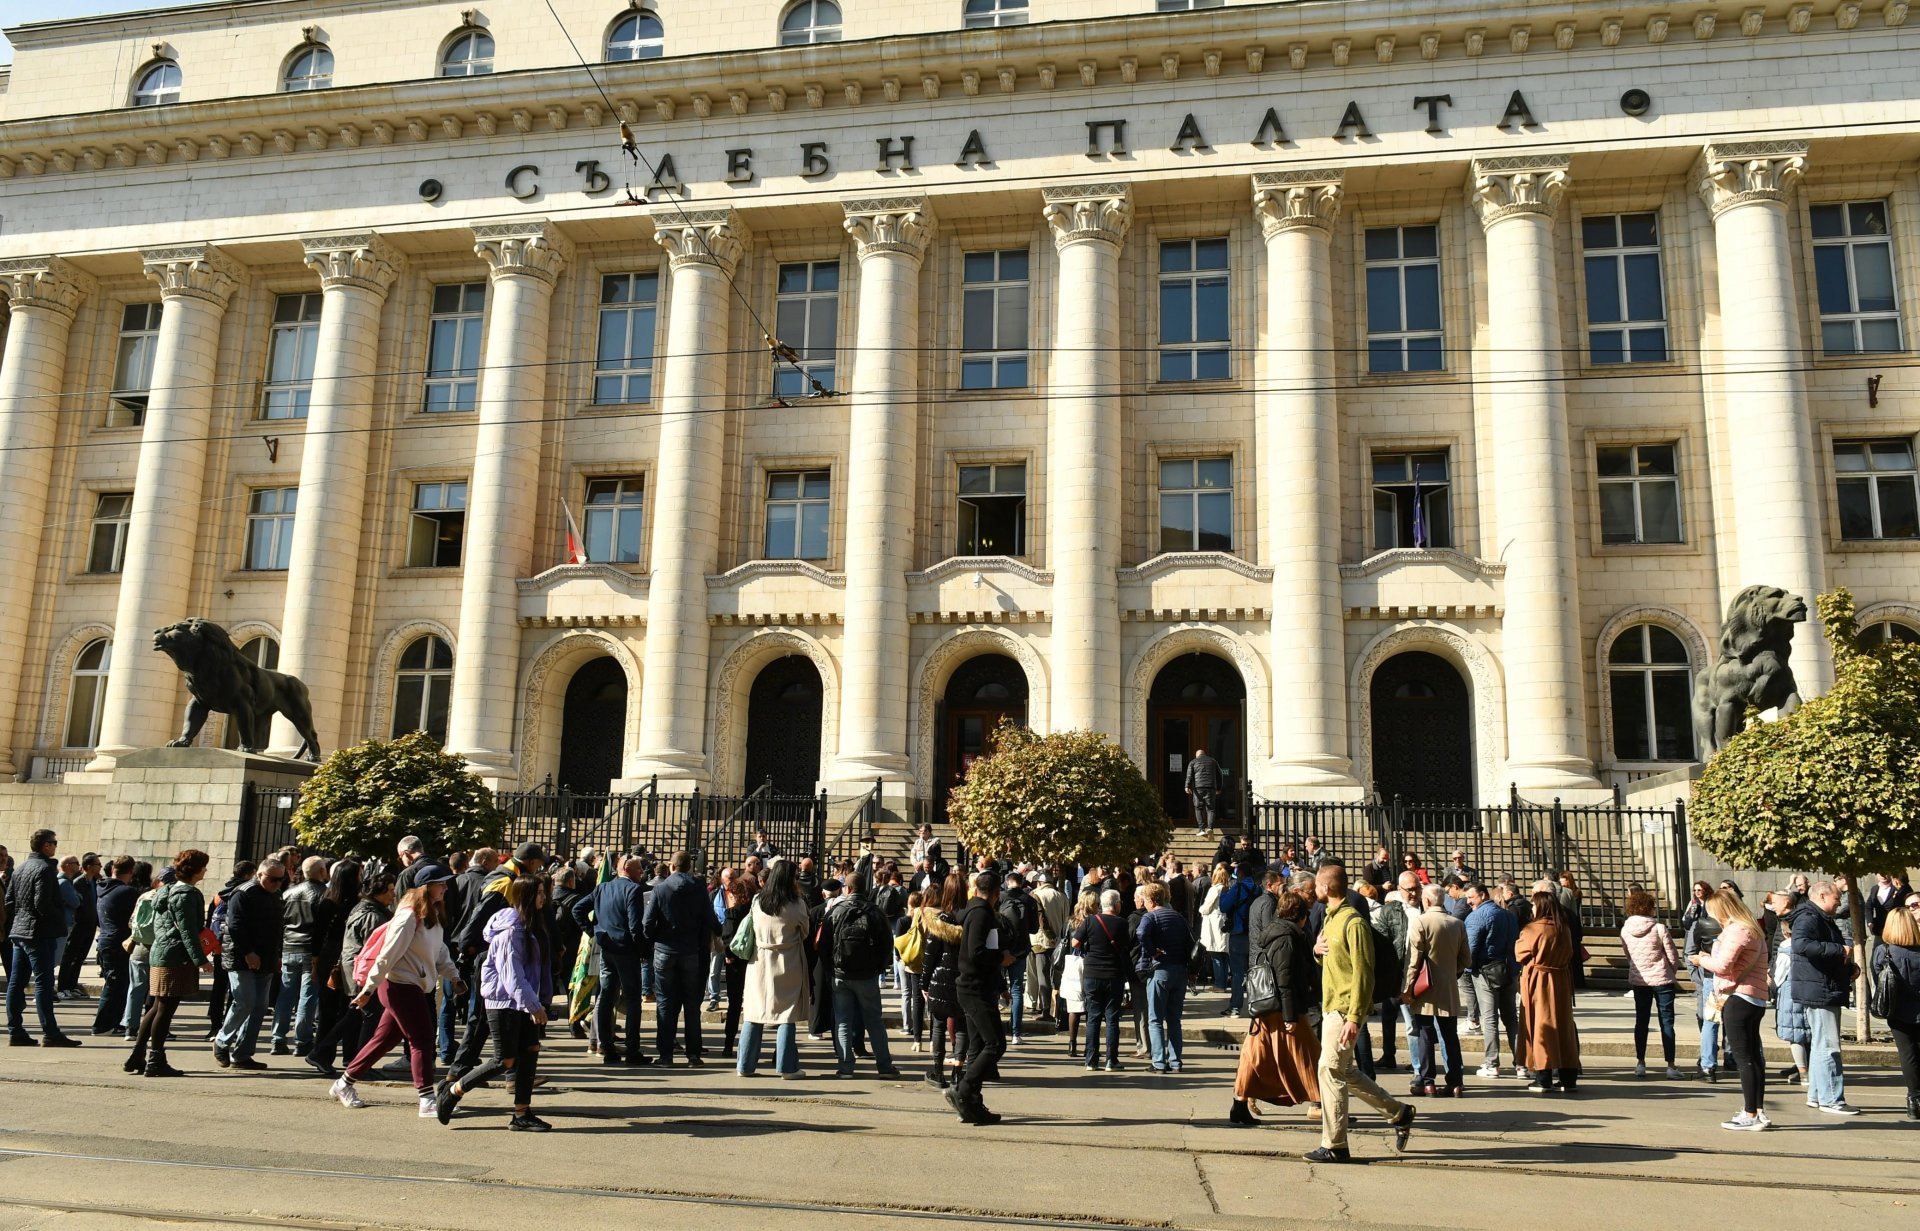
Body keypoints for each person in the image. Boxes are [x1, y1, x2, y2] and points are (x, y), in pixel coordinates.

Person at [1307, 861, 1415, 1163]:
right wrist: (1317, 953)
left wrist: (1355, 1018)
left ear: (1327, 887)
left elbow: (1364, 973)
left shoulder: (1353, 922)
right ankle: (1399, 1112)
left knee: (1329, 1072)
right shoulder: (1331, 919)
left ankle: (1335, 1145)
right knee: (1344, 1071)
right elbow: (1335, 963)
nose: (1314, 889)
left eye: (1317, 883)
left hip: (1344, 1010)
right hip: (1331, 1006)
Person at [332, 864, 461, 1115]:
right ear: (427, 887)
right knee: (423, 1039)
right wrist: (368, 989)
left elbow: (440, 951)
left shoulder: (431, 914)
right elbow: (387, 956)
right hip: (398, 985)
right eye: (441, 883)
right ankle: (427, 1099)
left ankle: (343, 1083)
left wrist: (454, 976)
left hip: (412, 985)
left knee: (384, 1040)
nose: (446, 887)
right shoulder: (407, 917)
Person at [435, 875, 554, 1131]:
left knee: (530, 1051)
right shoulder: (510, 931)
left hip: (524, 1001)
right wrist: (534, 1005)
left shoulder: (533, 926)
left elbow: (539, 969)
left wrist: (542, 1000)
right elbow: (512, 975)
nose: (544, 897)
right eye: (539, 893)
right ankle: (453, 1091)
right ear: (524, 897)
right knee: (504, 1060)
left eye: (544, 892)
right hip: (503, 1002)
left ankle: (521, 1114)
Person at [1231, 884, 1320, 1124]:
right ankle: (1323, 1103)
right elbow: (1285, 980)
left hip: (1267, 1006)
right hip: (1283, 1009)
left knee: (1255, 1055)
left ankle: (1239, 1105)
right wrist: (1291, 1017)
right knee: (1311, 1054)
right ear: (1300, 915)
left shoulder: (1277, 932)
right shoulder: (1287, 939)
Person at [124, 851, 213, 1077]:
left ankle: (137, 1055)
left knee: (156, 1007)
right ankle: (155, 1060)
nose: (205, 871)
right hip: (175, 956)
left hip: (161, 952)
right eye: (203, 867)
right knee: (164, 1009)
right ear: (195, 869)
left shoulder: (165, 890)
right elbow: (187, 930)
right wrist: (201, 960)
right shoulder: (187, 894)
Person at [1694, 888, 1771, 1130]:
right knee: (1753, 1057)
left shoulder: (1737, 930)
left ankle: (1750, 1115)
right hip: (1754, 997)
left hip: (1740, 997)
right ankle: (1756, 1110)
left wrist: (1701, 960)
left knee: (1744, 1058)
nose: (1712, 917)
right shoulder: (1752, 928)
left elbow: (1723, 966)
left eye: (1713, 912)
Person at [306, 870, 394, 1079]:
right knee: (368, 1015)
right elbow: (374, 949)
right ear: (378, 891)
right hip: (363, 972)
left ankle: (324, 1053)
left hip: (354, 968)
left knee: (355, 1014)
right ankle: (359, 1063)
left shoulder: (363, 908)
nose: (393, 895)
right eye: (389, 890)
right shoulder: (373, 915)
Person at [737, 860, 814, 1078]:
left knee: (754, 1011)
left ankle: (744, 1065)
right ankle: (787, 1067)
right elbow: (805, 931)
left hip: (759, 960)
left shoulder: (757, 900)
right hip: (787, 960)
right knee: (786, 1014)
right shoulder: (797, 903)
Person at [572, 855, 650, 1067]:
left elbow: (578, 909)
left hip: (607, 948)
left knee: (606, 996)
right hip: (626, 950)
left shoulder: (603, 888)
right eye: (638, 870)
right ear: (626, 868)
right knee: (633, 999)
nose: (641, 873)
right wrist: (642, 950)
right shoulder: (632, 890)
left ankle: (605, 1045)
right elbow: (635, 926)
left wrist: (595, 933)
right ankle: (632, 1049)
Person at [6, 829, 80, 1047]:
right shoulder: (45, 869)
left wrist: (20, 918)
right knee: (43, 983)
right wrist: (58, 919)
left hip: (20, 931)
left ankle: (15, 1030)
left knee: (16, 982)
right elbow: (42, 904)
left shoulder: (20, 868)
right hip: (39, 933)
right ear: (46, 846)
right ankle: (50, 1032)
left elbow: (9, 901)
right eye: (54, 843)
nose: (55, 846)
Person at [947, 871, 1011, 1124]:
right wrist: (1001, 959)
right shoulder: (981, 914)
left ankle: (971, 1100)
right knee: (996, 1044)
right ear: (995, 893)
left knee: (977, 1045)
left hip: (977, 985)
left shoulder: (976, 911)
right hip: (975, 987)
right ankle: (963, 1090)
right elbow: (976, 952)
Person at [824, 870, 900, 1078]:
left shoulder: (836, 911)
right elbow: (887, 944)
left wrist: (831, 968)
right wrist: (879, 969)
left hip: (841, 974)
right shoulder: (874, 911)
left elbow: (824, 944)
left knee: (843, 1021)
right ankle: (884, 1066)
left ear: (847, 889)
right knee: (874, 1021)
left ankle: (846, 1067)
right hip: (867, 975)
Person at [213, 861, 288, 1070]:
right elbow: (235, 925)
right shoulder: (244, 892)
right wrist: (248, 952)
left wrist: (277, 955)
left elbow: (277, 928)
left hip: (266, 958)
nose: (277, 883)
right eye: (272, 879)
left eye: (281, 879)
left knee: (259, 1007)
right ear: (260, 874)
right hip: (241, 957)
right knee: (245, 1001)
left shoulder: (275, 895)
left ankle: (243, 1054)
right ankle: (222, 1040)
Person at [1791, 881, 1858, 1115]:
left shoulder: (1817, 917)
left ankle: (1818, 1095)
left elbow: (1820, 951)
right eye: (1836, 898)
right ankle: (1831, 1098)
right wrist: (1839, 951)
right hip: (1820, 990)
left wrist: (1848, 968)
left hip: (1822, 987)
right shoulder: (1810, 917)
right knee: (1828, 1047)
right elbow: (1801, 945)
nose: (1839, 902)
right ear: (1822, 895)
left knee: (1821, 1045)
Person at [645, 851, 714, 1065]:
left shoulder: (661, 889)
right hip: (690, 950)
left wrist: (655, 940)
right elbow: (710, 920)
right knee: (691, 1004)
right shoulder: (699, 889)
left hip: (665, 950)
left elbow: (647, 923)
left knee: (665, 1003)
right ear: (688, 867)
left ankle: (665, 1055)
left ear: (671, 866)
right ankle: (693, 1054)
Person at [1405, 883, 1470, 1097]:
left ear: (1427, 901)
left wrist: (1407, 988)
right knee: (1450, 1035)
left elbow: (1414, 960)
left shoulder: (1420, 922)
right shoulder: (1457, 923)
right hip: (1449, 986)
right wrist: (1452, 972)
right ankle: (1455, 1082)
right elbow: (1466, 959)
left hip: (1425, 987)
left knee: (1424, 1034)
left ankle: (1428, 1081)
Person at [1515, 889, 1580, 1093]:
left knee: (1541, 1025)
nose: (1531, 909)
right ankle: (1568, 1077)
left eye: (1534, 905)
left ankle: (1543, 1077)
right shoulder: (1563, 928)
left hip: (1539, 981)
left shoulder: (1534, 929)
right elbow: (1570, 953)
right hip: (1560, 979)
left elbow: (1520, 953)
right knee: (1563, 1026)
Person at [1620, 888, 1683, 1079]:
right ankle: (1670, 1065)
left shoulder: (1625, 929)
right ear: (1649, 908)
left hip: (1640, 979)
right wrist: (1671, 970)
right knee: (1667, 1021)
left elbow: (1628, 954)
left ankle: (1640, 1063)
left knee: (1641, 1020)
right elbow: (1672, 954)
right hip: (1662, 978)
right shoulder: (1659, 928)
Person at [273, 855, 332, 1058]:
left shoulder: (289, 892)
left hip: (290, 946)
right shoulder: (324, 894)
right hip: (310, 949)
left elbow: (281, 922)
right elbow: (323, 926)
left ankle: (278, 1038)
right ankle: (302, 1040)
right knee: (308, 995)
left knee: (286, 993)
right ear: (322, 872)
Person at [1463, 882, 1520, 1079]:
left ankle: (1492, 1063)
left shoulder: (1476, 917)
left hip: (1486, 972)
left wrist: (1468, 969)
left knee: (1489, 1018)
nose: (1468, 901)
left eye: (1471, 897)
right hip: (1509, 970)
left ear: (1482, 895)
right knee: (1511, 1018)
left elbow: (1470, 949)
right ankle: (1521, 1064)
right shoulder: (1509, 916)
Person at [1871, 890, 1920, 1120]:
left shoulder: (1884, 951)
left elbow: (1878, 979)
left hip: (1897, 1010)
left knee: (1907, 1054)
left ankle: (1914, 1099)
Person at [1074, 888, 1132, 1072]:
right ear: (1116, 905)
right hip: (1114, 974)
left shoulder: (1090, 921)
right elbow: (1126, 945)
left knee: (1093, 1017)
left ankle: (1091, 1060)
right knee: (1112, 1018)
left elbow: (1075, 942)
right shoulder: (1122, 923)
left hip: (1092, 973)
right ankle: (1111, 1060)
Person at [1136, 881, 1191, 1073]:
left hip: (1160, 970)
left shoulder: (1151, 917)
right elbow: (1189, 941)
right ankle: (1176, 1061)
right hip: (1180, 970)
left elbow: (1141, 933)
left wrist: (1152, 951)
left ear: (1150, 900)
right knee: (1174, 1019)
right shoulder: (1178, 917)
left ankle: (1159, 1062)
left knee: (1155, 1019)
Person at [89, 857, 139, 1036]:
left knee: (116, 984)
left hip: (106, 940)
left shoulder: (102, 888)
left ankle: (112, 1023)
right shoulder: (127, 892)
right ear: (131, 872)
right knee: (116, 985)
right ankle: (103, 1025)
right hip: (118, 943)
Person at [1685, 888, 1730, 1081]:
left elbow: (1691, 951)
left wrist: (1698, 975)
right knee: (1740, 1022)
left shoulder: (1703, 924)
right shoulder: (1739, 925)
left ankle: (1707, 1067)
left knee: (1710, 1022)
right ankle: (1745, 1060)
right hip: (1732, 977)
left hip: (1712, 975)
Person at [1216, 858, 1261, 1015]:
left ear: (1240, 873)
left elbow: (1223, 906)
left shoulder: (1237, 888)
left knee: (1237, 973)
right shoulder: (1257, 889)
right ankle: (1256, 1006)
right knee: (1254, 972)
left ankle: (1235, 1007)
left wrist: (1223, 894)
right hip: (1254, 934)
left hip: (1238, 932)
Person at [1772, 905, 1810, 1087]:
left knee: (1795, 1035)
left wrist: (1773, 985)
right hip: (1807, 988)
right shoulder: (1809, 942)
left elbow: (1780, 974)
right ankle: (1809, 1070)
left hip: (1790, 990)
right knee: (1809, 1032)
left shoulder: (1786, 947)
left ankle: (1803, 1073)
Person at [57, 852, 101, 998]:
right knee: (69, 956)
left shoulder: (93, 882)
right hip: (79, 924)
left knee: (80, 957)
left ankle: (72, 985)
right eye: (97, 864)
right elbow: (75, 903)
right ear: (89, 867)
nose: (100, 867)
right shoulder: (78, 882)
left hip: (90, 925)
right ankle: (63, 987)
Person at [720, 874, 755, 1055]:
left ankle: (728, 1043)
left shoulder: (732, 913)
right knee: (753, 1004)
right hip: (753, 961)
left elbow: (727, 937)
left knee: (734, 1003)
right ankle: (751, 1045)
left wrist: (728, 955)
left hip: (735, 962)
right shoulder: (755, 910)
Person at [1185, 747, 1221, 835]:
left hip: (1198, 788)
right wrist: (1218, 788)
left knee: (1198, 808)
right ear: (1204, 754)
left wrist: (1187, 786)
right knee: (1211, 809)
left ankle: (1201, 829)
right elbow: (1219, 775)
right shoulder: (1213, 761)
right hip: (1211, 787)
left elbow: (1189, 775)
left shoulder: (1193, 762)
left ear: (1197, 755)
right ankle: (1210, 828)